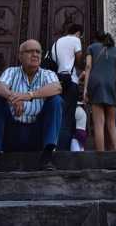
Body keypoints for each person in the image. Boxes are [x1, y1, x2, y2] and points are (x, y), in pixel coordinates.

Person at [0, 38, 63, 171]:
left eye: (38, 52)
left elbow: (57, 87)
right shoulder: (11, 72)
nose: (35, 55)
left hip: (37, 135)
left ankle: (47, 157)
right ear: (20, 56)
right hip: (12, 133)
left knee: (56, 100)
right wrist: (12, 97)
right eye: (30, 51)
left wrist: (28, 95)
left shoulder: (48, 74)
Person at [82, 32, 116, 152]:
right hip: (112, 85)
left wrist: (85, 89)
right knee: (112, 125)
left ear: (96, 39)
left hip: (96, 85)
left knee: (99, 124)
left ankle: (101, 157)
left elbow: (88, 66)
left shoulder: (91, 48)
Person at [49, 23, 83, 151]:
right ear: (78, 33)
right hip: (71, 81)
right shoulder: (75, 40)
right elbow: (79, 59)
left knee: (59, 114)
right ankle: (63, 149)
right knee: (68, 117)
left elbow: (54, 62)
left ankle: (54, 145)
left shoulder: (56, 43)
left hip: (58, 82)